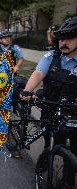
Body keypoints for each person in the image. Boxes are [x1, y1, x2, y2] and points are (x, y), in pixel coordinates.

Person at [21, 16, 77, 156]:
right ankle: (46, 159)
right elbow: (38, 73)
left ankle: (67, 174)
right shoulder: (50, 56)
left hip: (73, 110)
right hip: (50, 106)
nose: (63, 42)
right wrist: (27, 91)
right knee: (51, 141)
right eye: (61, 38)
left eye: (69, 38)